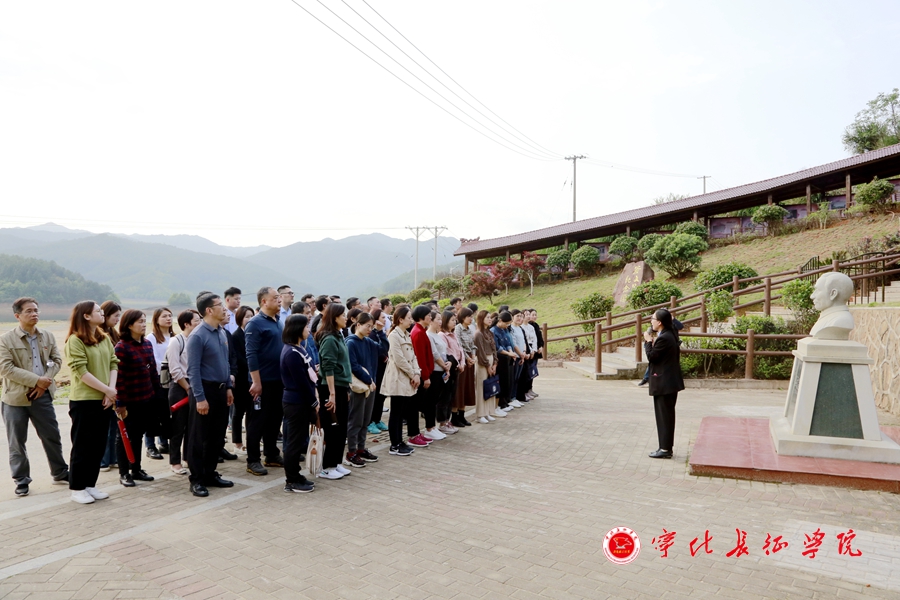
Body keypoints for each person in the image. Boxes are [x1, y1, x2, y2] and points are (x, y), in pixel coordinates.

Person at [0, 297, 68, 497]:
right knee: (17, 441)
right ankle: (21, 479)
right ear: (17, 315)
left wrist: (44, 382)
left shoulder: (46, 336)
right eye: (29, 311)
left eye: (36, 310)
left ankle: (60, 472)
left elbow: (56, 360)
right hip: (15, 399)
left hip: (42, 395)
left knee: (51, 435)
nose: (34, 314)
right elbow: (5, 368)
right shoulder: (6, 339)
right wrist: (36, 381)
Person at [64, 301, 119, 504]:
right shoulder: (75, 340)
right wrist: (106, 390)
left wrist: (110, 391)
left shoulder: (103, 338)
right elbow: (82, 371)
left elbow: (114, 362)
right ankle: (77, 487)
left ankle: (90, 484)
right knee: (82, 445)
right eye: (98, 311)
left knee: (98, 444)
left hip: (104, 399)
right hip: (84, 400)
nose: (102, 313)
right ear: (86, 316)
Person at [185, 293, 234, 497]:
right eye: (219, 305)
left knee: (216, 436)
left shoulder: (221, 332)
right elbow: (193, 371)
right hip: (205, 390)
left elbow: (226, 362)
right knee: (199, 438)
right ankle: (196, 479)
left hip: (222, 390)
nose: (224, 308)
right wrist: (200, 398)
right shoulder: (198, 336)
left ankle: (210, 473)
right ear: (208, 310)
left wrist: (229, 387)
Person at [113, 309, 158, 487]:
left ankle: (136, 469)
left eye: (144, 320)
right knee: (124, 437)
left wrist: (156, 394)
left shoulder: (147, 344)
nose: (143, 324)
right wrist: (121, 403)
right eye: (139, 321)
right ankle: (124, 473)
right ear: (129, 324)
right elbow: (119, 378)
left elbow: (153, 371)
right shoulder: (122, 347)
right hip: (129, 401)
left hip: (146, 398)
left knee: (138, 435)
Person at [244, 287, 285, 476]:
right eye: (275, 298)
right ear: (263, 302)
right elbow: (251, 354)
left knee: (275, 419)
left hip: (278, 380)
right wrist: (256, 382)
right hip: (262, 382)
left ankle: (271, 454)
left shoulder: (277, 321)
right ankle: (253, 460)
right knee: (257, 421)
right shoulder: (255, 323)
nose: (279, 300)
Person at [280, 314, 318, 494]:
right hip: (296, 402)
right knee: (293, 443)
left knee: (299, 440)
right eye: (305, 327)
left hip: (302, 401)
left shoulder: (299, 349)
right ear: (296, 329)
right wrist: (313, 402)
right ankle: (291, 480)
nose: (308, 330)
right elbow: (301, 382)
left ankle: (296, 474)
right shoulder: (291, 353)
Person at [314, 303, 353, 479]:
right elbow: (328, 367)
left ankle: (336, 462)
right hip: (330, 387)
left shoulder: (339, 335)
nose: (346, 318)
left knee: (342, 426)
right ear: (335, 317)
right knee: (332, 427)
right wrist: (332, 394)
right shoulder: (329, 338)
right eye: (343, 315)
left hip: (341, 386)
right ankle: (327, 467)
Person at [643, 308, 685, 459]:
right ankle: (665, 447)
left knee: (664, 417)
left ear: (659, 322)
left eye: (653, 319)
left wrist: (648, 341)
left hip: (665, 383)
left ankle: (665, 449)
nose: (651, 322)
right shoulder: (670, 334)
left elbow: (652, 357)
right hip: (668, 382)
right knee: (665, 416)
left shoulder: (664, 338)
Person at [345, 313, 384, 467]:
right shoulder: (350, 343)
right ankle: (351, 452)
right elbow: (352, 365)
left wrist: (380, 332)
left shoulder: (368, 341)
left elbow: (383, 350)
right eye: (367, 325)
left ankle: (361, 449)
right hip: (358, 387)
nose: (370, 329)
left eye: (371, 326)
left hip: (370, 386)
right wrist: (369, 380)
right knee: (356, 420)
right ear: (358, 324)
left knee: (365, 420)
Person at [381, 306, 420, 456]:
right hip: (398, 378)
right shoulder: (394, 336)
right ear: (400, 319)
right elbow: (399, 359)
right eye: (409, 318)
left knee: (402, 410)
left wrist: (417, 373)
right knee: (396, 412)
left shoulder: (406, 334)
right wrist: (412, 374)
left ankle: (400, 441)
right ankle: (394, 444)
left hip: (408, 377)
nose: (411, 320)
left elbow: (413, 356)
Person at [166, 309, 200, 475]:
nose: (199, 323)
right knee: (178, 427)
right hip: (180, 388)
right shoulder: (176, 341)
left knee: (192, 426)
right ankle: (175, 461)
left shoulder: (197, 340)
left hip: (194, 386)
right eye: (196, 320)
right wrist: (187, 388)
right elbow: (175, 369)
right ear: (186, 324)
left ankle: (188, 457)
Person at [144, 307, 174, 460]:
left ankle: (163, 442)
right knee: (153, 414)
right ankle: (150, 445)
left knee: (165, 413)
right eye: (164, 316)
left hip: (171, 381)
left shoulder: (174, 336)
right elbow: (154, 359)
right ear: (156, 319)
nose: (168, 319)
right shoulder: (152, 338)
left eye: (170, 316)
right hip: (156, 380)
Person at [98, 301, 122, 471]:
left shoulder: (115, 334)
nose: (117, 319)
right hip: (103, 385)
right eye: (115, 316)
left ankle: (113, 457)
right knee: (104, 427)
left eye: (119, 316)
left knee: (115, 424)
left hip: (115, 385)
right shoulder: (99, 335)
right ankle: (103, 460)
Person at [410, 306, 438, 445]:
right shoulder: (418, 332)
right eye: (428, 315)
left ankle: (417, 433)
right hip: (421, 374)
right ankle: (414, 434)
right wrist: (425, 376)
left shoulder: (421, 331)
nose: (430, 317)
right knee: (417, 405)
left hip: (425, 372)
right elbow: (420, 357)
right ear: (421, 316)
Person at [230, 306, 255, 455]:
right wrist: (253, 364)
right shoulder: (236, 336)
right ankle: (237, 442)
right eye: (246, 316)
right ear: (239, 319)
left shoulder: (253, 334)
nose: (250, 319)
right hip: (240, 379)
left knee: (252, 412)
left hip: (253, 379)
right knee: (238, 411)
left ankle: (251, 441)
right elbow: (237, 358)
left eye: (252, 316)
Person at [438, 310, 464, 433]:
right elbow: (449, 352)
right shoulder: (442, 335)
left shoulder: (453, 334)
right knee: (445, 396)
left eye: (455, 320)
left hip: (456, 368)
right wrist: (458, 364)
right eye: (452, 320)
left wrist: (462, 363)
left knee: (451, 396)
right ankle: (442, 422)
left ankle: (447, 421)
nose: (455, 322)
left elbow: (460, 350)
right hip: (449, 368)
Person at [451, 307, 476, 427]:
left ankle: (462, 415)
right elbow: (459, 346)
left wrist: (473, 356)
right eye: (468, 317)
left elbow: (473, 345)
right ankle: (454, 417)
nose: (471, 319)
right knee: (459, 389)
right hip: (461, 360)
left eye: (471, 316)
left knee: (467, 388)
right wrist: (468, 358)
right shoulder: (458, 329)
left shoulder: (470, 329)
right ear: (462, 318)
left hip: (470, 360)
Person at [473, 310, 499, 423]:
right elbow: (481, 352)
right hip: (482, 362)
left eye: (490, 317)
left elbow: (494, 349)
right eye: (487, 317)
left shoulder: (489, 333)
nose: (490, 319)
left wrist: (495, 363)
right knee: (481, 387)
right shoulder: (478, 334)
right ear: (481, 319)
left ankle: (488, 412)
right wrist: (488, 365)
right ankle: (480, 414)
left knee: (490, 387)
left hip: (491, 360)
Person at [367, 309, 390, 434]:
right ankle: (370, 421)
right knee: (374, 397)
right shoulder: (371, 334)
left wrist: (381, 332)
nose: (384, 320)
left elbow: (386, 347)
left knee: (381, 397)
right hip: (374, 369)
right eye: (382, 317)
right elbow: (380, 351)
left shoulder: (379, 333)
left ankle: (377, 419)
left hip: (382, 369)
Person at [490, 312, 517, 417]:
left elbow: (508, 343)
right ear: (500, 321)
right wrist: (508, 353)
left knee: (508, 381)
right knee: (501, 382)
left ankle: (504, 402)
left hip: (507, 358)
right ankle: (499, 404)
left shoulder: (504, 329)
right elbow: (497, 347)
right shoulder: (493, 331)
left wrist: (511, 351)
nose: (507, 326)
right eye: (506, 323)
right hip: (500, 359)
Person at [508, 310, 528, 408]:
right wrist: (520, 354)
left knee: (517, 378)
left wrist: (523, 353)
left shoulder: (520, 328)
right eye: (517, 316)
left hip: (521, 356)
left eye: (521, 316)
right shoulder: (510, 328)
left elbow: (523, 341)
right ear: (512, 317)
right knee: (513, 378)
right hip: (515, 356)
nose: (520, 318)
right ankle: (511, 397)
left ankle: (514, 397)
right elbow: (513, 343)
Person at [524, 309, 543, 400]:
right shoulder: (525, 326)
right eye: (532, 314)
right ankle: (526, 390)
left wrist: (540, 346)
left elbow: (538, 338)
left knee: (532, 371)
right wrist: (531, 350)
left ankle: (530, 388)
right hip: (528, 350)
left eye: (535, 315)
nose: (534, 316)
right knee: (527, 371)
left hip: (535, 350)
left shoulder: (535, 325)